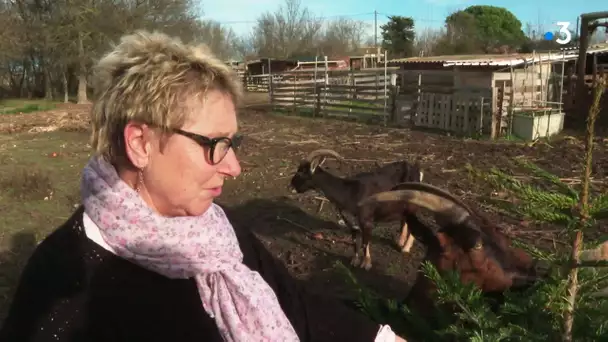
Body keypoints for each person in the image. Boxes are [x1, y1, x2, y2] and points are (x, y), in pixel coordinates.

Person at [0, 31, 407, 342]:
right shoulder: (63, 287)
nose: (235, 167)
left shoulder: (219, 229)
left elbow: (293, 302)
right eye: (215, 145)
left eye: (234, 143)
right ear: (140, 143)